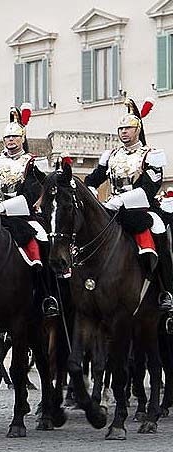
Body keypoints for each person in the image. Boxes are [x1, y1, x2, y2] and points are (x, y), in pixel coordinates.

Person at [84, 97, 173, 317]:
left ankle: (166, 290)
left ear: (137, 130)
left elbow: (148, 189)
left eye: (128, 128)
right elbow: (93, 180)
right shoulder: (111, 156)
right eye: (121, 128)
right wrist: (92, 193)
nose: (123, 132)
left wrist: (120, 201)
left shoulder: (151, 155)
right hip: (112, 209)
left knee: (159, 229)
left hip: (142, 210)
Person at [0, 103, 59, 318]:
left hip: (21, 216)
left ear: (22, 138)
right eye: (7, 137)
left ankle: (47, 294)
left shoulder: (32, 162)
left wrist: (2, 207)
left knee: (41, 240)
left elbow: (31, 194)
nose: (10, 140)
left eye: (14, 137)